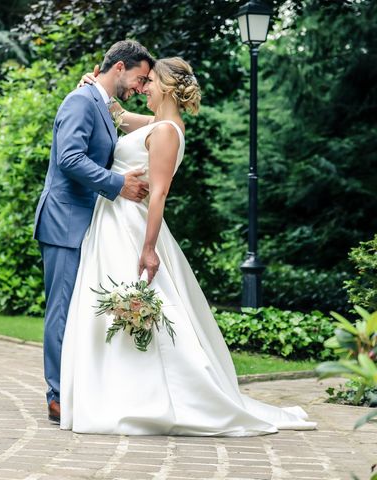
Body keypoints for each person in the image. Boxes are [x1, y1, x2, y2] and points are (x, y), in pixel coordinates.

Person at [59, 57, 317, 435]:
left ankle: (157, 398)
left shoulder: (166, 131)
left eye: (149, 82)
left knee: (144, 312)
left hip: (132, 227)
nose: (142, 87)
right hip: (112, 223)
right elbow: (122, 117)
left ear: (165, 86)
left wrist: (148, 248)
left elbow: (159, 193)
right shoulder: (160, 124)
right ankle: (111, 393)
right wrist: (98, 91)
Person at [33, 40, 155, 423]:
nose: (140, 86)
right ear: (119, 67)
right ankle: (57, 397)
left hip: (89, 221)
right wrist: (118, 184)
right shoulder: (81, 101)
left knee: (78, 309)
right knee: (62, 309)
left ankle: (76, 387)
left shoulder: (101, 104)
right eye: (139, 77)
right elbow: (69, 158)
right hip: (65, 220)